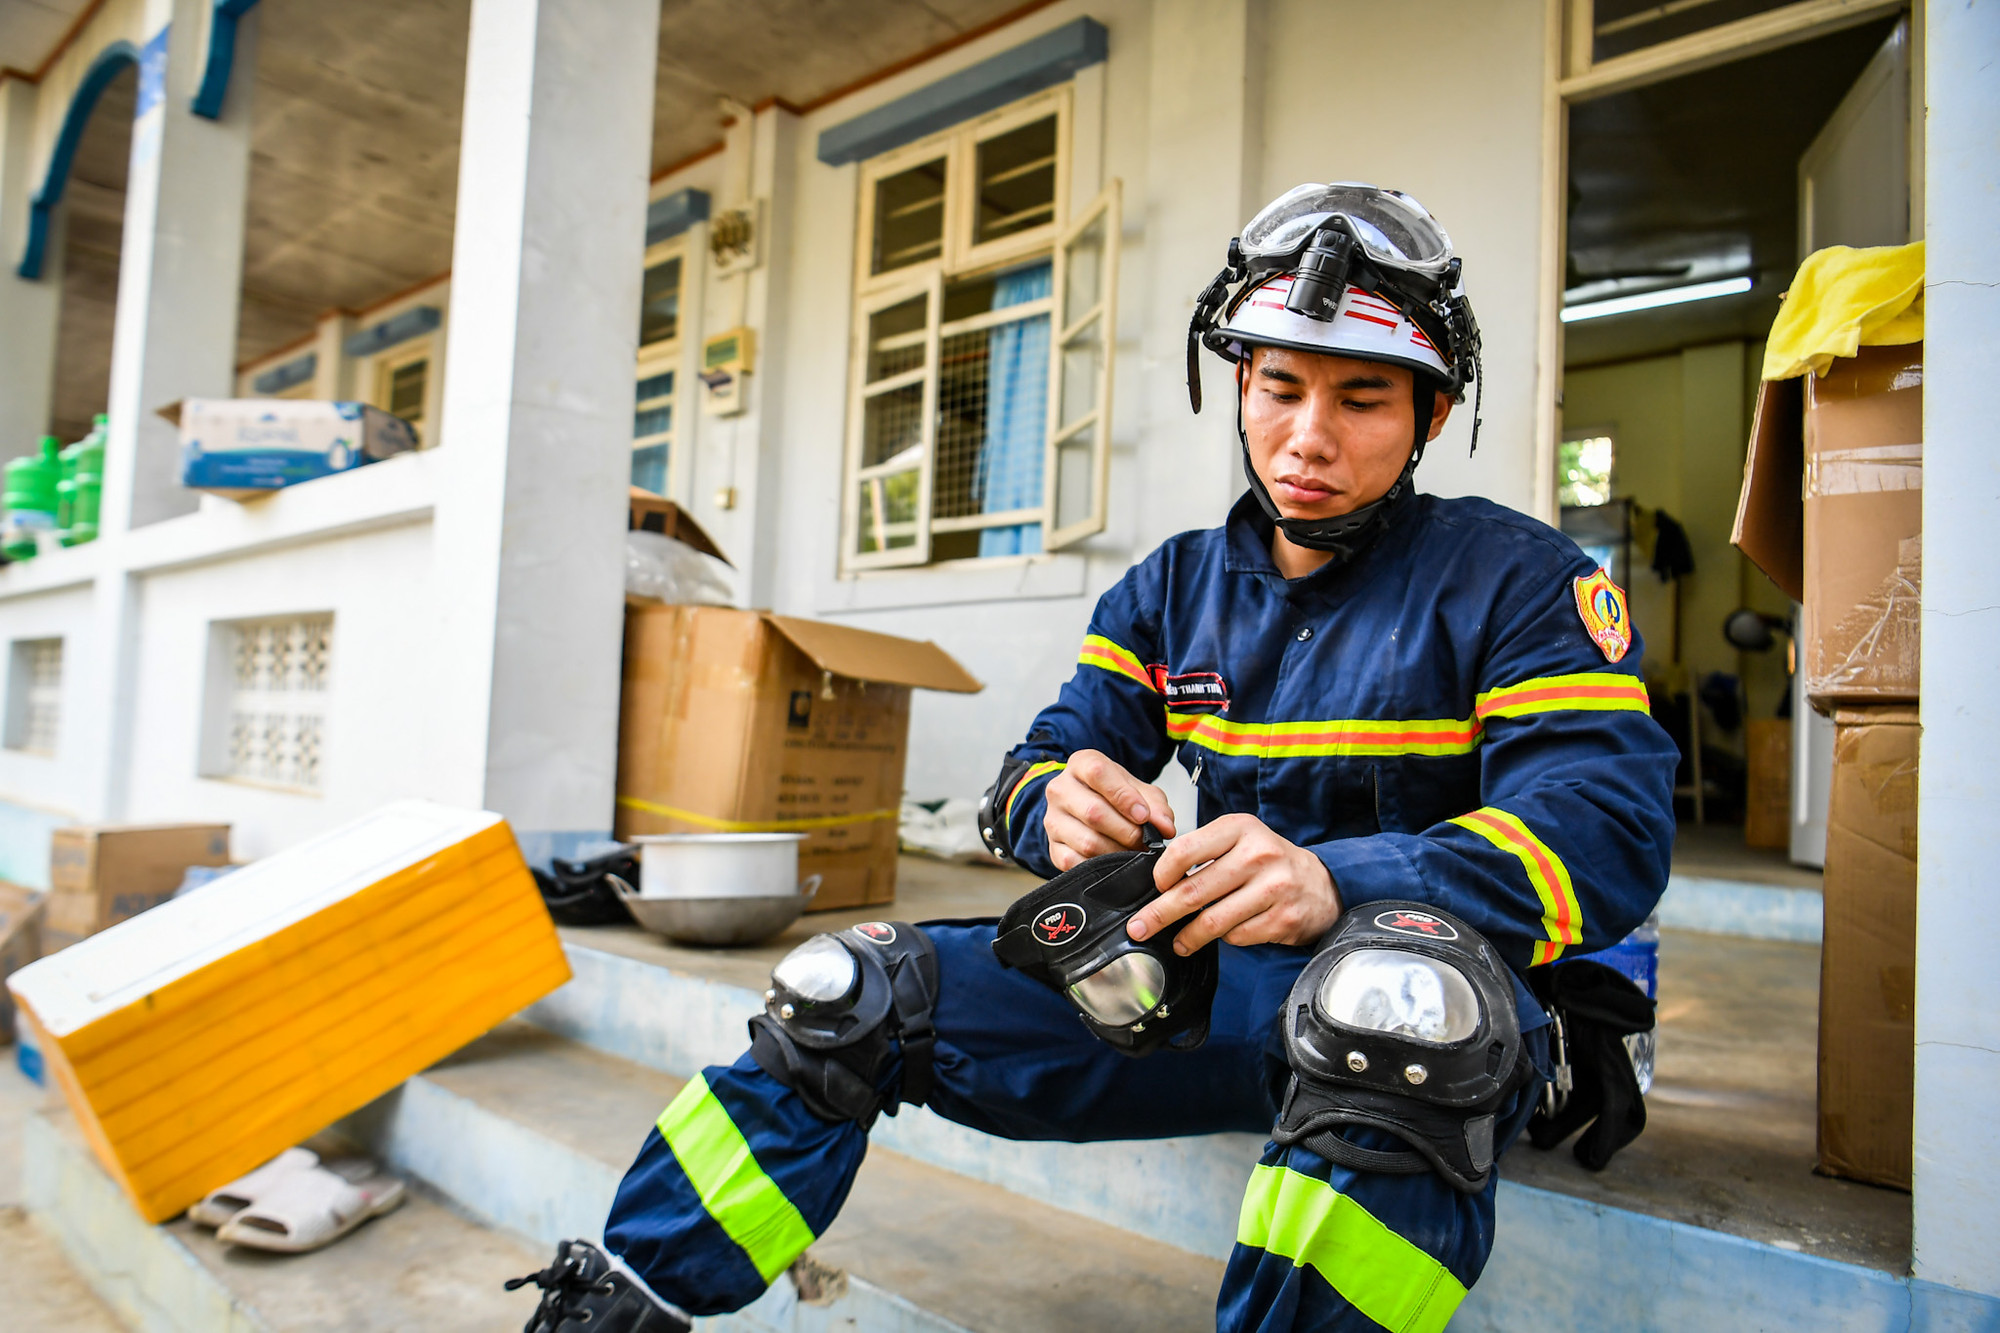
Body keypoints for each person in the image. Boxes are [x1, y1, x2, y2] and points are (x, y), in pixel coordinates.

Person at [508, 183, 1678, 1333]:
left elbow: (1606, 823)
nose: (1306, 437)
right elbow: (1038, 762)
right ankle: (625, 1303)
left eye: (1361, 399)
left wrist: (1343, 880)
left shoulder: (1518, 580)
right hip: (1227, 994)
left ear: (1427, 415)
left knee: (1391, 1004)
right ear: (1237, 384)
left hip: (1437, 1019)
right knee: (849, 990)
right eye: (1278, 387)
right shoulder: (1168, 590)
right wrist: (1050, 807)